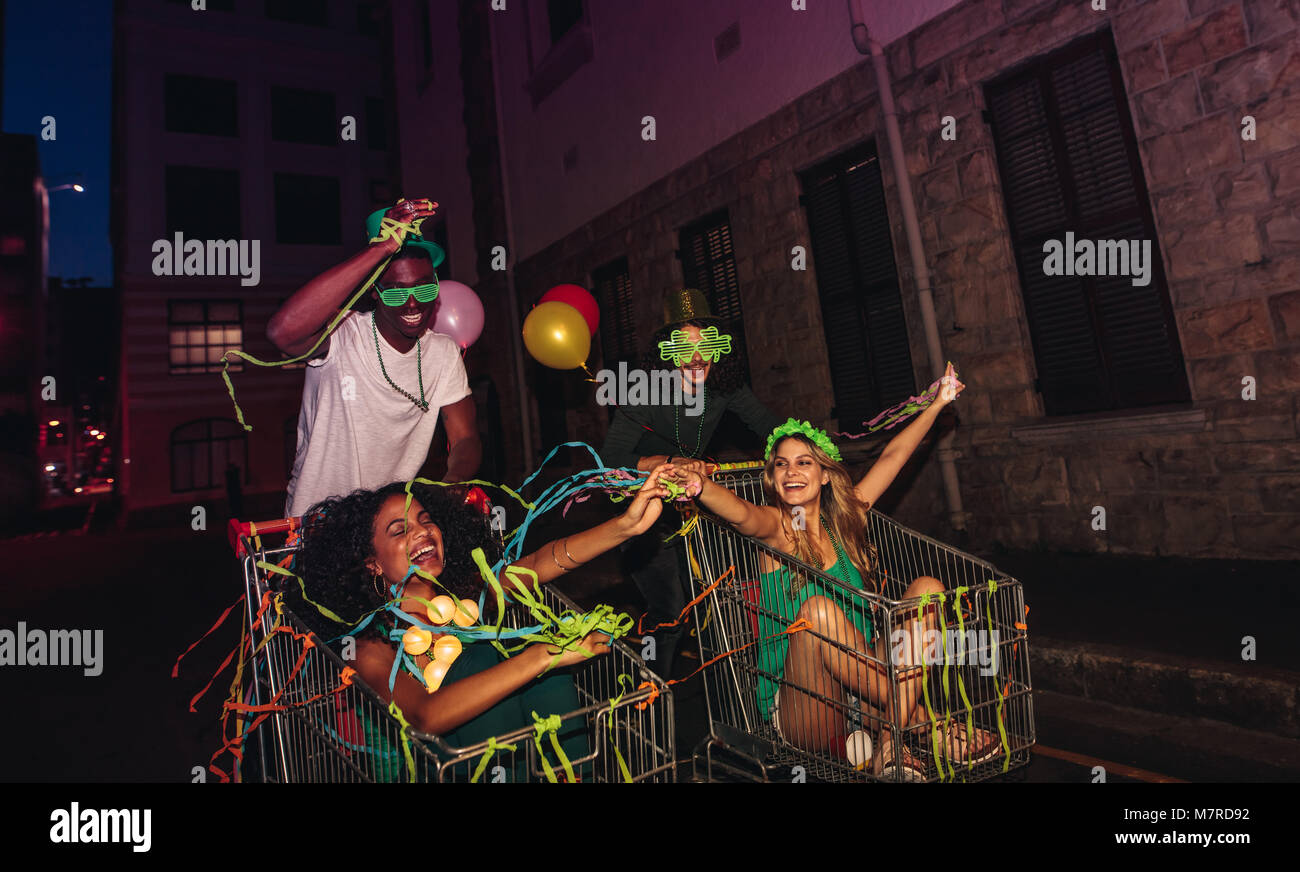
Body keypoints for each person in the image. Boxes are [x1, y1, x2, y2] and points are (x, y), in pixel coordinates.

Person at [675, 363, 1000, 779]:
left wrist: (937, 405)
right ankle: (932, 727)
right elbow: (741, 515)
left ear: (825, 475)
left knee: (928, 588)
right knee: (818, 610)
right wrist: (701, 487)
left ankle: (890, 740)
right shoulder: (778, 529)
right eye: (781, 464)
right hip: (803, 703)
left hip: (863, 688)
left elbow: (893, 456)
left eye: (804, 462)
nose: (792, 471)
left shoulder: (844, 523)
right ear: (773, 478)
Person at [284, 465, 675, 780]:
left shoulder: (468, 596)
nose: (422, 531)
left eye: (425, 519)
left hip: (515, 758)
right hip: (439, 769)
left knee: (539, 667)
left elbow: (539, 562)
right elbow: (424, 716)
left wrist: (626, 526)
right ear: (372, 563)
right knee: (494, 659)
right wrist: (543, 655)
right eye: (400, 530)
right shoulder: (370, 644)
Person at [600, 288, 781, 677]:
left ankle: (730, 694)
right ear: (667, 353)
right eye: (684, 347)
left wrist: (809, 452)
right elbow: (609, 461)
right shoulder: (644, 392)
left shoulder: (725, 387)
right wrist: (665, 463)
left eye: (707, 345)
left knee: (714, 602)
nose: (697, 357)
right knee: (670, 611)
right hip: (643, 513)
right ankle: (649, 698)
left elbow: (771, 427)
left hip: (691, 508)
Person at [269, 198, 481, 517]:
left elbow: (465, 437)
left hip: (389, 524)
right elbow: (282, 332)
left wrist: (453, 483)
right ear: (373, 291)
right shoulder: (342, 335)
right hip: (320, 521)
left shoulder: (443, 352)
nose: (412, 304)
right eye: (395, 292)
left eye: (424, 289)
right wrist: (381, 249)